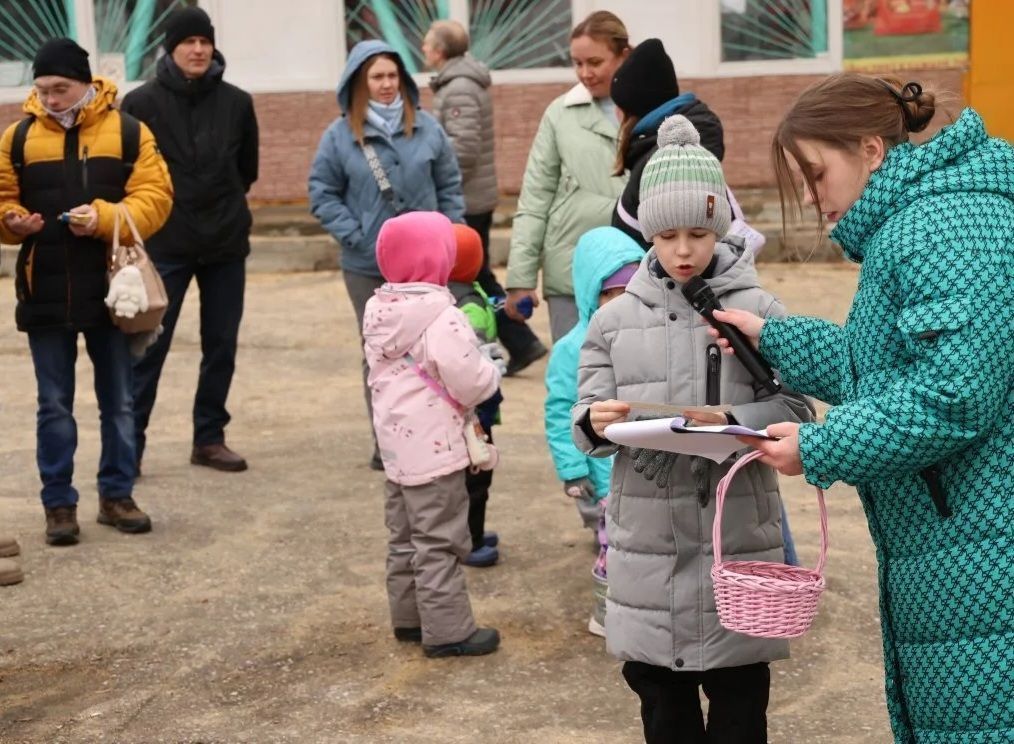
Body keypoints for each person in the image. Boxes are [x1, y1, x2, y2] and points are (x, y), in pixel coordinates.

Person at [711, 73, 1014, 743]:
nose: (811, 196)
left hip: (982, 547)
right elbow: (886, 367)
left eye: (816, 174)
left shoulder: (939, 226)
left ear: (871, 150)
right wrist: (775, 339)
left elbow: (954, 396)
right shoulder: (929, 216)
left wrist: (820, 446)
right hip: (960, 536)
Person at [571, 116, 814, 743]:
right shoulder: (613, 321)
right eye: (667, 235)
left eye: (699, 233)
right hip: (648, 537)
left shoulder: (758, 310)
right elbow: (586, 414)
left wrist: (733, 422)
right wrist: (592, 422)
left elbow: (797, 409)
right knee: (662, 704)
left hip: (737, 535)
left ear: (722, 226)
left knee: (740, 704)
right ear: (648, 233)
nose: (683, 250)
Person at [0, 38, 172, 545]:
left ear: (85, 83)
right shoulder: (17, 138)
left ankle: (117, 495)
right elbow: (3, 200)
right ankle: (58, 505)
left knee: (119, 402)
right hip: (44, 289)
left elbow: (156, 198)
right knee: (53, 404)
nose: (50, 99)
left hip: (115, 290)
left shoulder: (129, 131)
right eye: (42, 89)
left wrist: (104, 218)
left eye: (60, 88)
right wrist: (12, 222)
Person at [309, 40, 464, 470]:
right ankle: (388, 442)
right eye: (376, 76)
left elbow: (450, 187)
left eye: (392, 75)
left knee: (433, 347)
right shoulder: (339, 135)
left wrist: (449, 237)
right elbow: (322, 193)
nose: (385, 84)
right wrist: (358, 236)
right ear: (359, 82)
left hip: (429, 268)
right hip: (367, 267)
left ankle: (435, 438)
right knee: (381, 352)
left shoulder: (428, 128)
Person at [122, 7, 259, 474]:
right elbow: (128, 175)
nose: (198, 50)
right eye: (189, 42)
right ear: (170, 48)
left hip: (225, 243)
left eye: (205, 41)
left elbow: (247, 171)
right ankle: (129, 445)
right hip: (166, 244)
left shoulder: (237, 103)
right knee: (147, 346)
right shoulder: (140, 105)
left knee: (221, 345)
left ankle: (209, 438)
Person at [364, 211, 501, 658]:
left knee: (404, 536)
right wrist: (491, 373)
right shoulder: (444, 316)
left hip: (397, 450)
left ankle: (409, 619)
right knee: (439, 539)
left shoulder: (379, 310)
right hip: (436, 452)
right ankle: (448, 631)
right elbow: (470, 380)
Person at [424, 20, 547, 376]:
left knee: (475, 276)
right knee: (478, 273)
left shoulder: (459, 86)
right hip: (468, 196)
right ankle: (521, 341)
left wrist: (430, 168)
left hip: (467, 199)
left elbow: (462, 149)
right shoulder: (455, 82)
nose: (423, 49)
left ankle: (520, 341)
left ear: (440, 50)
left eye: (427, 44)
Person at [503, 10, 631, 342]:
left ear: (623, 55)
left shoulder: (653, 109)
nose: (585, 73)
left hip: (637, 268)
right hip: (569, 271)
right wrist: (520, 278)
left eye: (595, 62)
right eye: (577, 63)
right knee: (572, 368)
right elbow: (535, 196)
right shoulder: (559, 114)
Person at [544, 225, 643, 637]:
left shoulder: (648, 337)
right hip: (602, 472)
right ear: (589, 293)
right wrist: (572, 469)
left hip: (643, 467)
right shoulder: (572, 348)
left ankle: (641, 607)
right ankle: (606, 613)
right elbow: (559, 411)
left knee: (641, 546)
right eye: (609, 293)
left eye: (628, 292)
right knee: (611, 545)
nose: (619, 303)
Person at [609, 38, 724, 250]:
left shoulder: (667, 157)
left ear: (633, 109)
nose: (615, 113)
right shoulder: (652, 148)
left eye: (619, 106)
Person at [447, 223, 506, 568]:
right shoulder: (467, 305)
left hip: (468, 405)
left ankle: (474, 532)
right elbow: (472, 359)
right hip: (475, 407)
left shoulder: (457, 294)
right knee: (477, 474)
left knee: (472, 474)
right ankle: (470, 540)